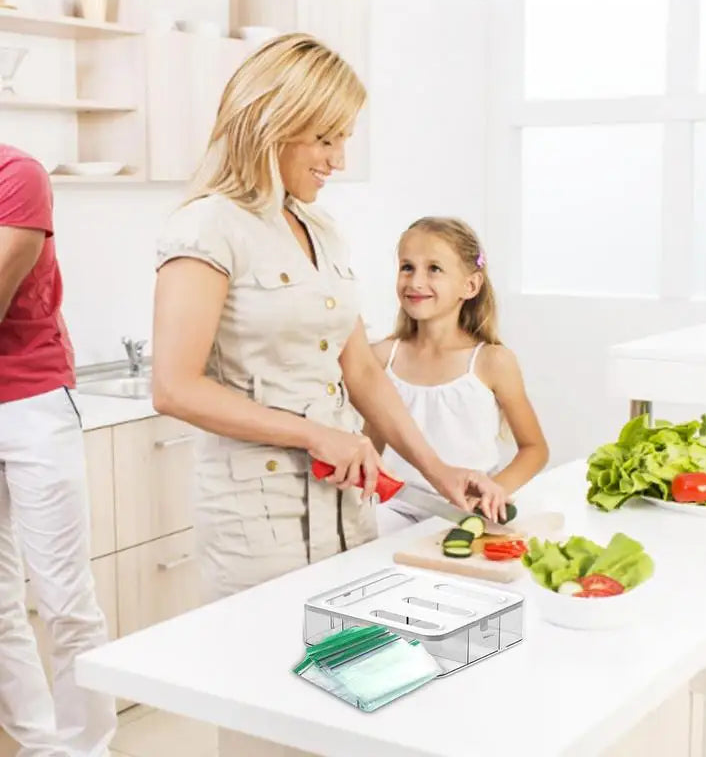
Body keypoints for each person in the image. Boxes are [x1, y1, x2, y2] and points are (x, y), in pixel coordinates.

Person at [151, 33, 505, 604]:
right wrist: (316, 435)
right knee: (273, 652)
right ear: (272, 123)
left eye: (344, 139)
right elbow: (174, 388)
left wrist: (439, 472)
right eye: (325, 139)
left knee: (352, 647)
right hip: (257, 518)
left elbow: (360, 370)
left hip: (345, 506)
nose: (338, 160)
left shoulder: (322, 230)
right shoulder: (207, 228)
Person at [0, 144, 116, 756]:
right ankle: (41, 746)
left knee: (65, 600)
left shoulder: (16, 175)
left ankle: (85, 749)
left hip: (31, 403)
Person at [366, 216, 549, 534]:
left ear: (471, 285)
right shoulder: (381, 357)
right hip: (395, 510)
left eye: (434, 269)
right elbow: (372, 446)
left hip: (471, 512)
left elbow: (535, 449)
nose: (415, 281)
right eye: (407, 267)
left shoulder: (492, 362)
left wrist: (494, 491)